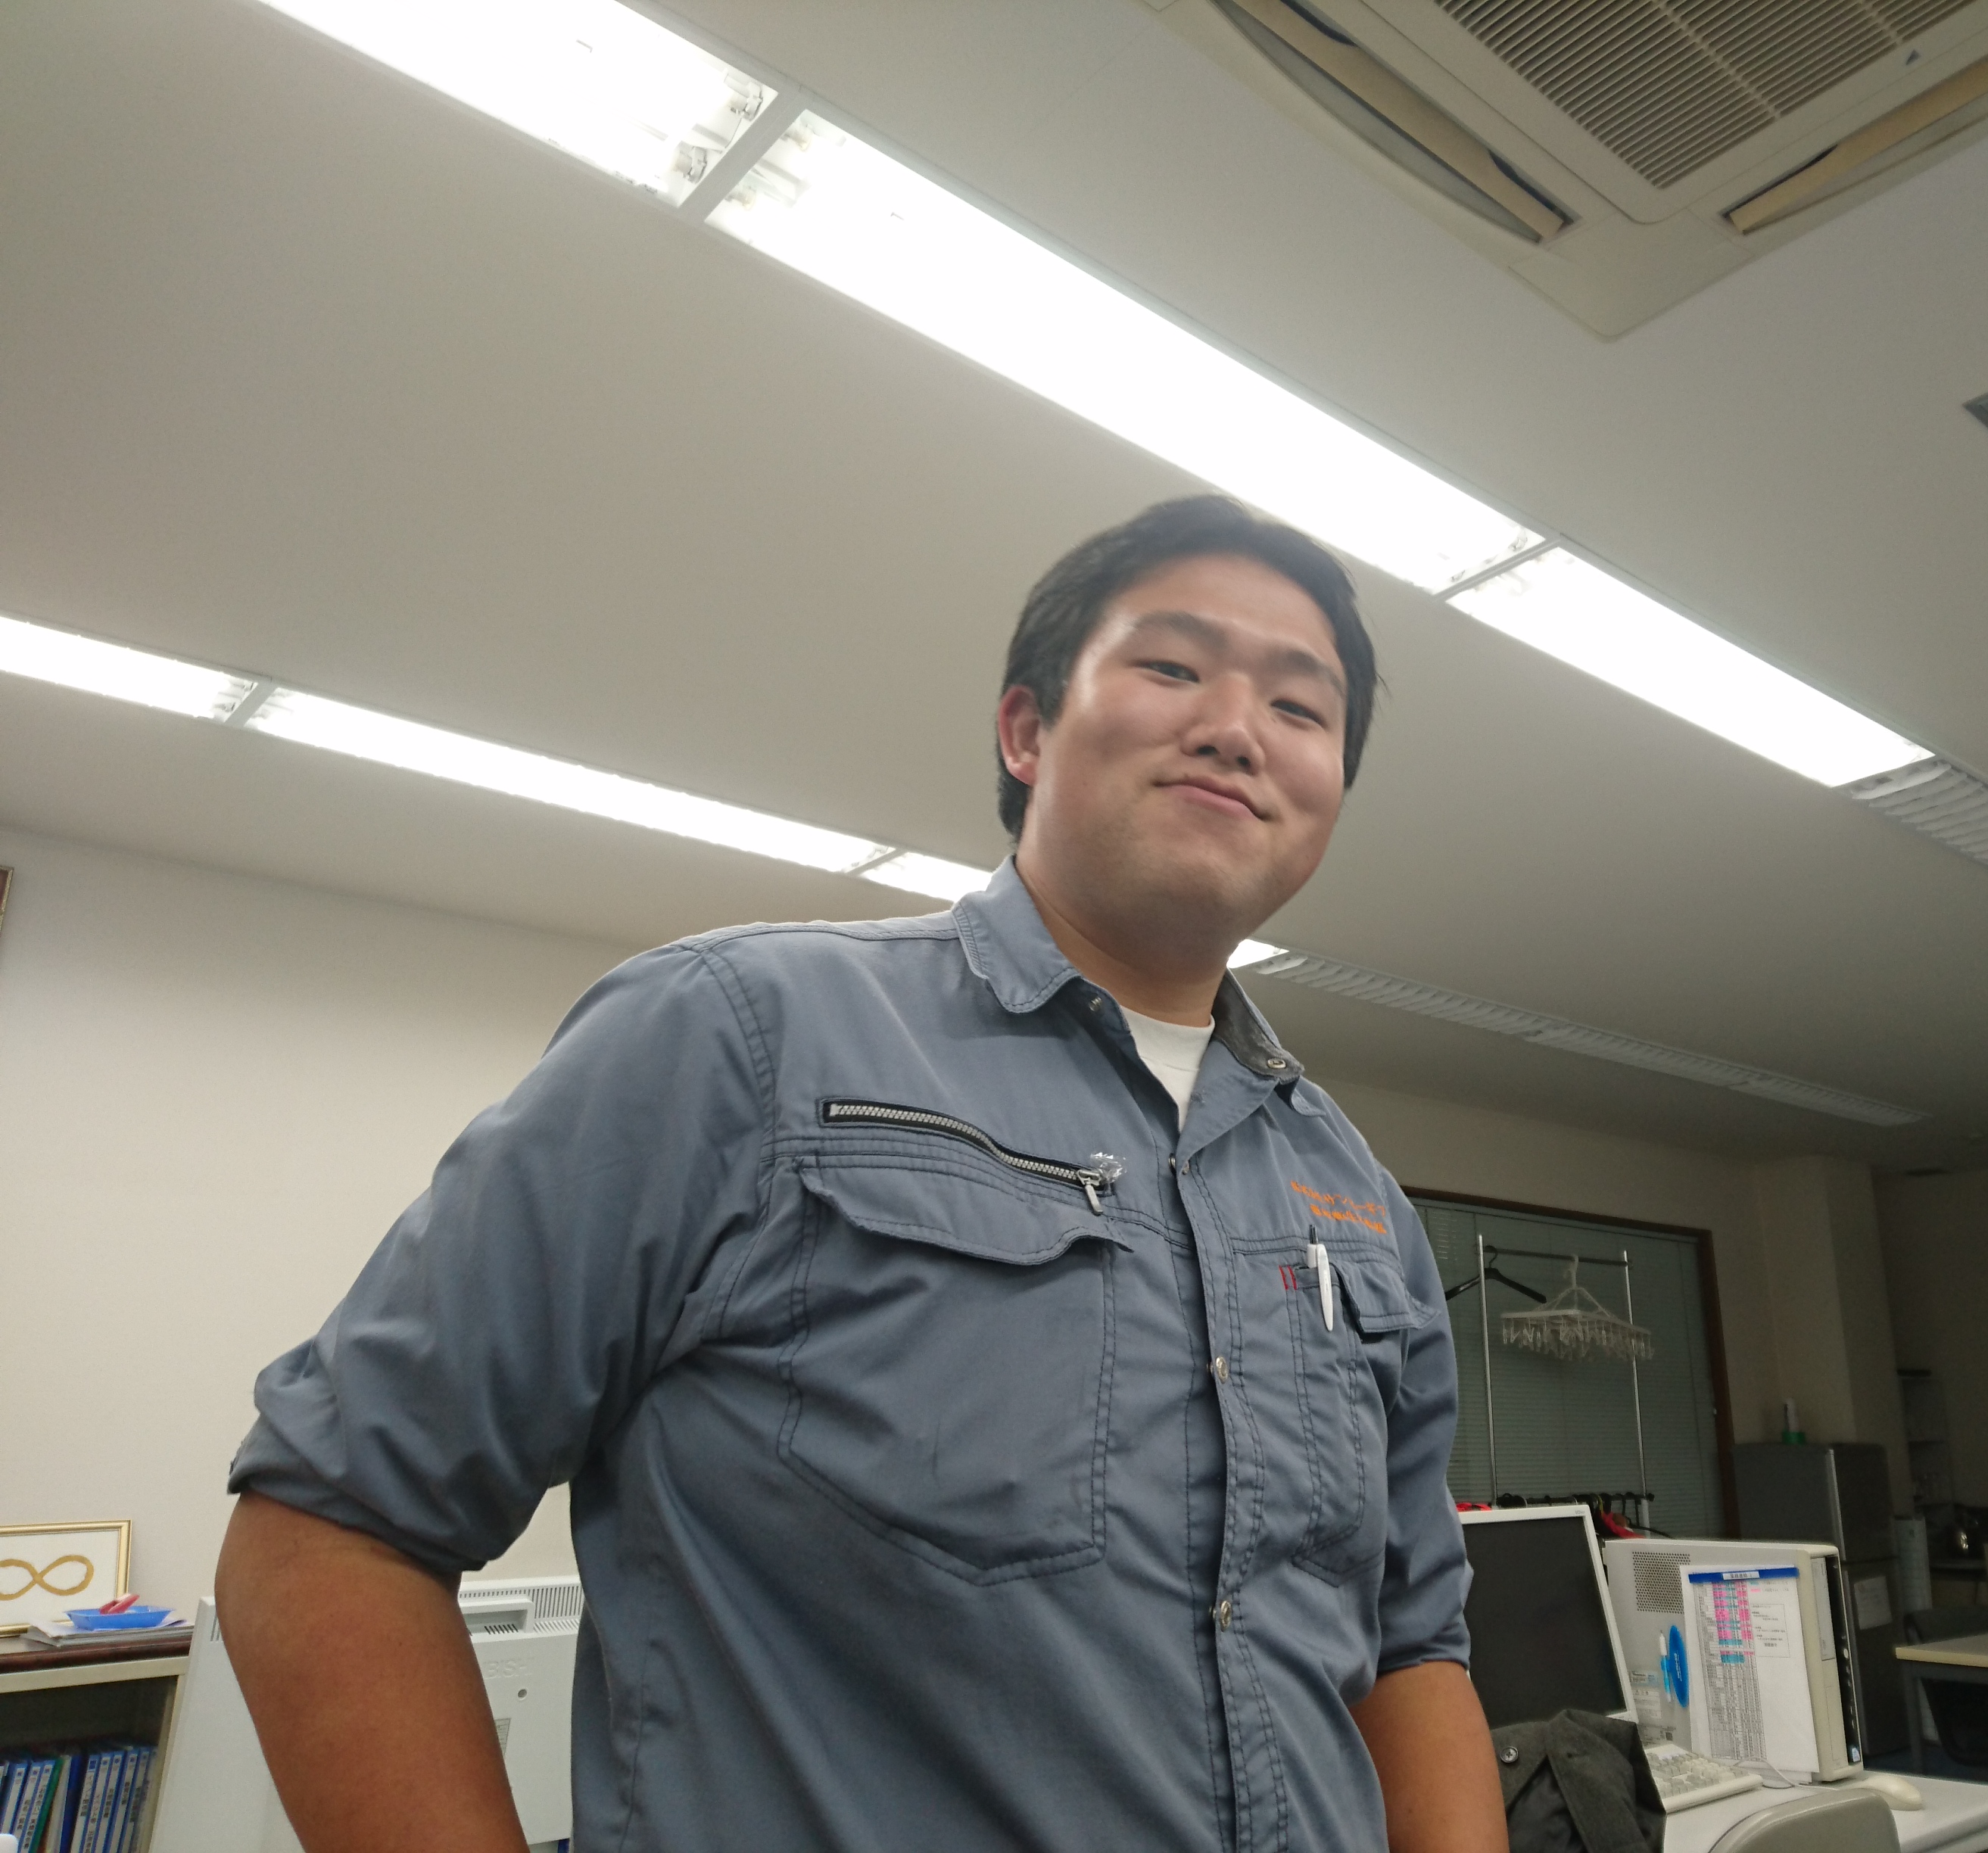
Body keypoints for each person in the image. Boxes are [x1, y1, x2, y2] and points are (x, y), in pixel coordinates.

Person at [215, 495, 1507, 1853]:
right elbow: (332, 1523)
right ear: (1026, 730)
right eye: (1175, 666)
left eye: (1301, 709)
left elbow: (1410, 1647)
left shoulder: (1355, 1201)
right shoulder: (736, 1037)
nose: (1239, 728)